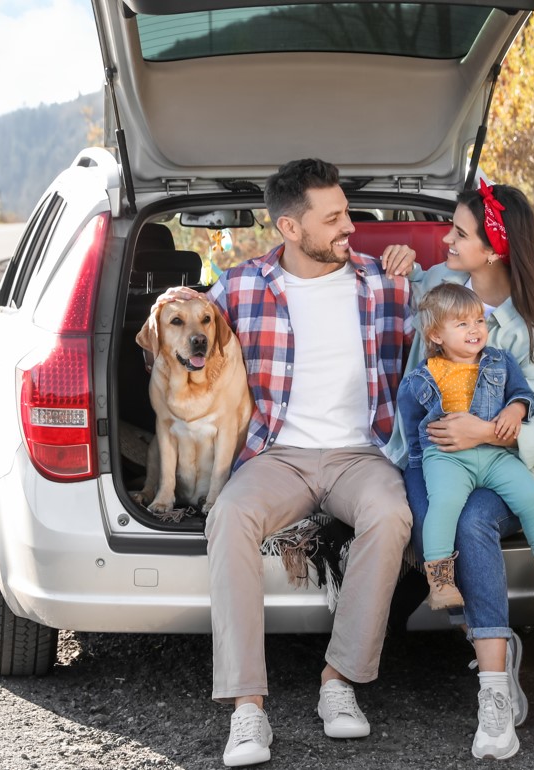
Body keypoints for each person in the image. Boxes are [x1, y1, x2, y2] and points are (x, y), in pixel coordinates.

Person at [177, 158, 417, 767]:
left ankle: (339, 680)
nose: (349, 227)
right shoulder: (240, 287)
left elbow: (461, 314)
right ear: (290, 227)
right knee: (230, 516)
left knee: (391, 514)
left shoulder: (385, 281)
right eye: (333, 218)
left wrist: (418, 266)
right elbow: (185, 340)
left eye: (347, 213)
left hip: (361, 452)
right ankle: (247, 707)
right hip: (277, 454)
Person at [388, 181, 534, 761]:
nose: (446, 239)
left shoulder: (531, 331)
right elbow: (393, 283)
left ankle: (492, 691)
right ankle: (493, 642)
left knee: (470, 523)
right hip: (434, 458)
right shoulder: (438, 288)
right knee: (432, 523)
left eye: (460, 233)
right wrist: (396, 262)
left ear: (493, 250)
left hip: (506, 466)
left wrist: (484, 431)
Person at [397, 282, 534, 610]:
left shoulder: (500, 361)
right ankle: (440, 581)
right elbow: (411, 423)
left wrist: (515, 410)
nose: (474, 329)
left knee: (532, 498)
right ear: (436, 335)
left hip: (496, 454)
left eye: (479, 320)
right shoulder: (421, 377)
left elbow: (522, 393)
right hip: (448, 458)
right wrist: (423, 464)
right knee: (444, 505)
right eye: (462, 324)